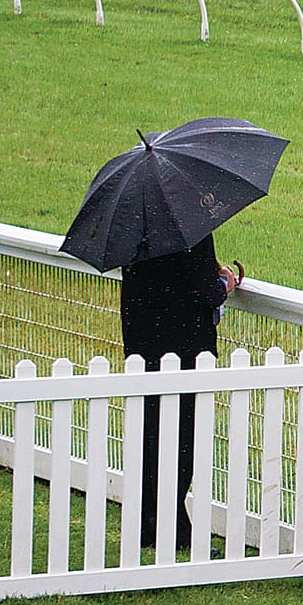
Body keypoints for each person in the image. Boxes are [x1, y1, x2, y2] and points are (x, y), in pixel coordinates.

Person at [120, 234, 240, 553]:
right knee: (180, 444)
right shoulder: (190, 233)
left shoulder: (136, 231)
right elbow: (204, 291)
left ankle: (150, 524)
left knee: (151, 439)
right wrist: (224, 284)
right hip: (183, 349)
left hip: (143, 346)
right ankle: (171, 530)